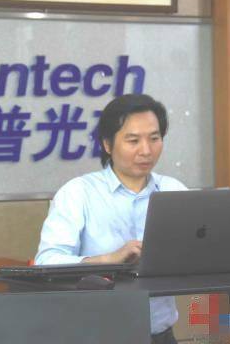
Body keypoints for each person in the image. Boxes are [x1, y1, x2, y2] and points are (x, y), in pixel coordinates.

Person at [35, 94, 187, 344]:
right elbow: (46, 261)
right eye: (133, 140)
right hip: (96, 336)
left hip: (160, 335)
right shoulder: (78, 193)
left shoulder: (175, 191)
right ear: (107, 144)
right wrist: (109, 259)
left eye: (154, 138)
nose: (146, 150)